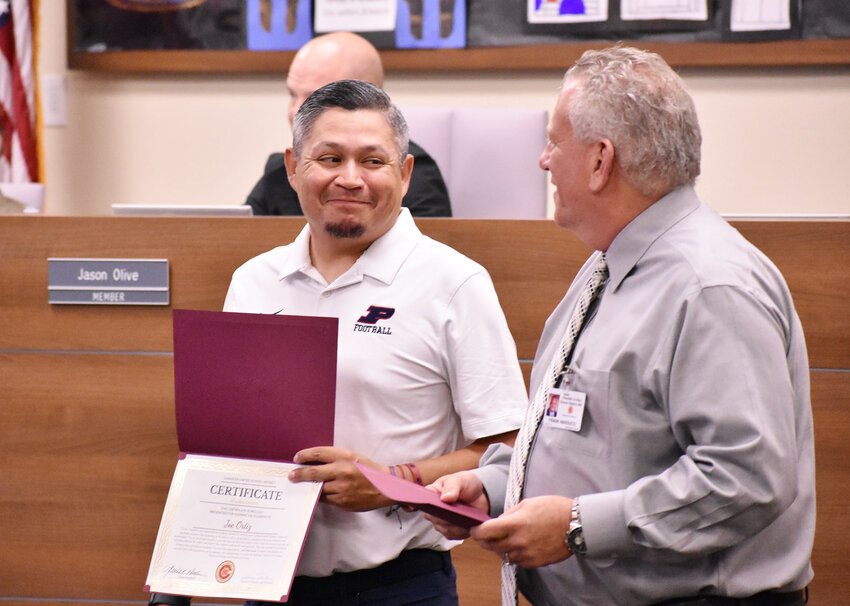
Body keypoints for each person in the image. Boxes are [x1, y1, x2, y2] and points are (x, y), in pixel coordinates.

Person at [427, 46, 815, 606]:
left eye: (555, 142)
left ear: (600, 160)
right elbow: (587, 437)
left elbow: (746, 478)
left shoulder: (708, 286)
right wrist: (492, 487)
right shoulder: (610, 263)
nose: (542, 160)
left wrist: (578, 526)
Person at [151, 80, 526, 606]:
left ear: (405, 172)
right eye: (329, 158)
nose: (350, 179)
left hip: (400, 588)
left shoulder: (455, 283)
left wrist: (393, 482)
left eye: (372, 161)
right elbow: (227, 447)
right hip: (268, 586)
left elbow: (510, 452)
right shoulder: (253, 281)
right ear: (292, 166)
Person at [245, 32, 452, 217]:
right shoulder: (280, 171)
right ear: (293, 169)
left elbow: (427, 254)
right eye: (293, 95)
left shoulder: (414, 176)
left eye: (313, 98)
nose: (294, 112)